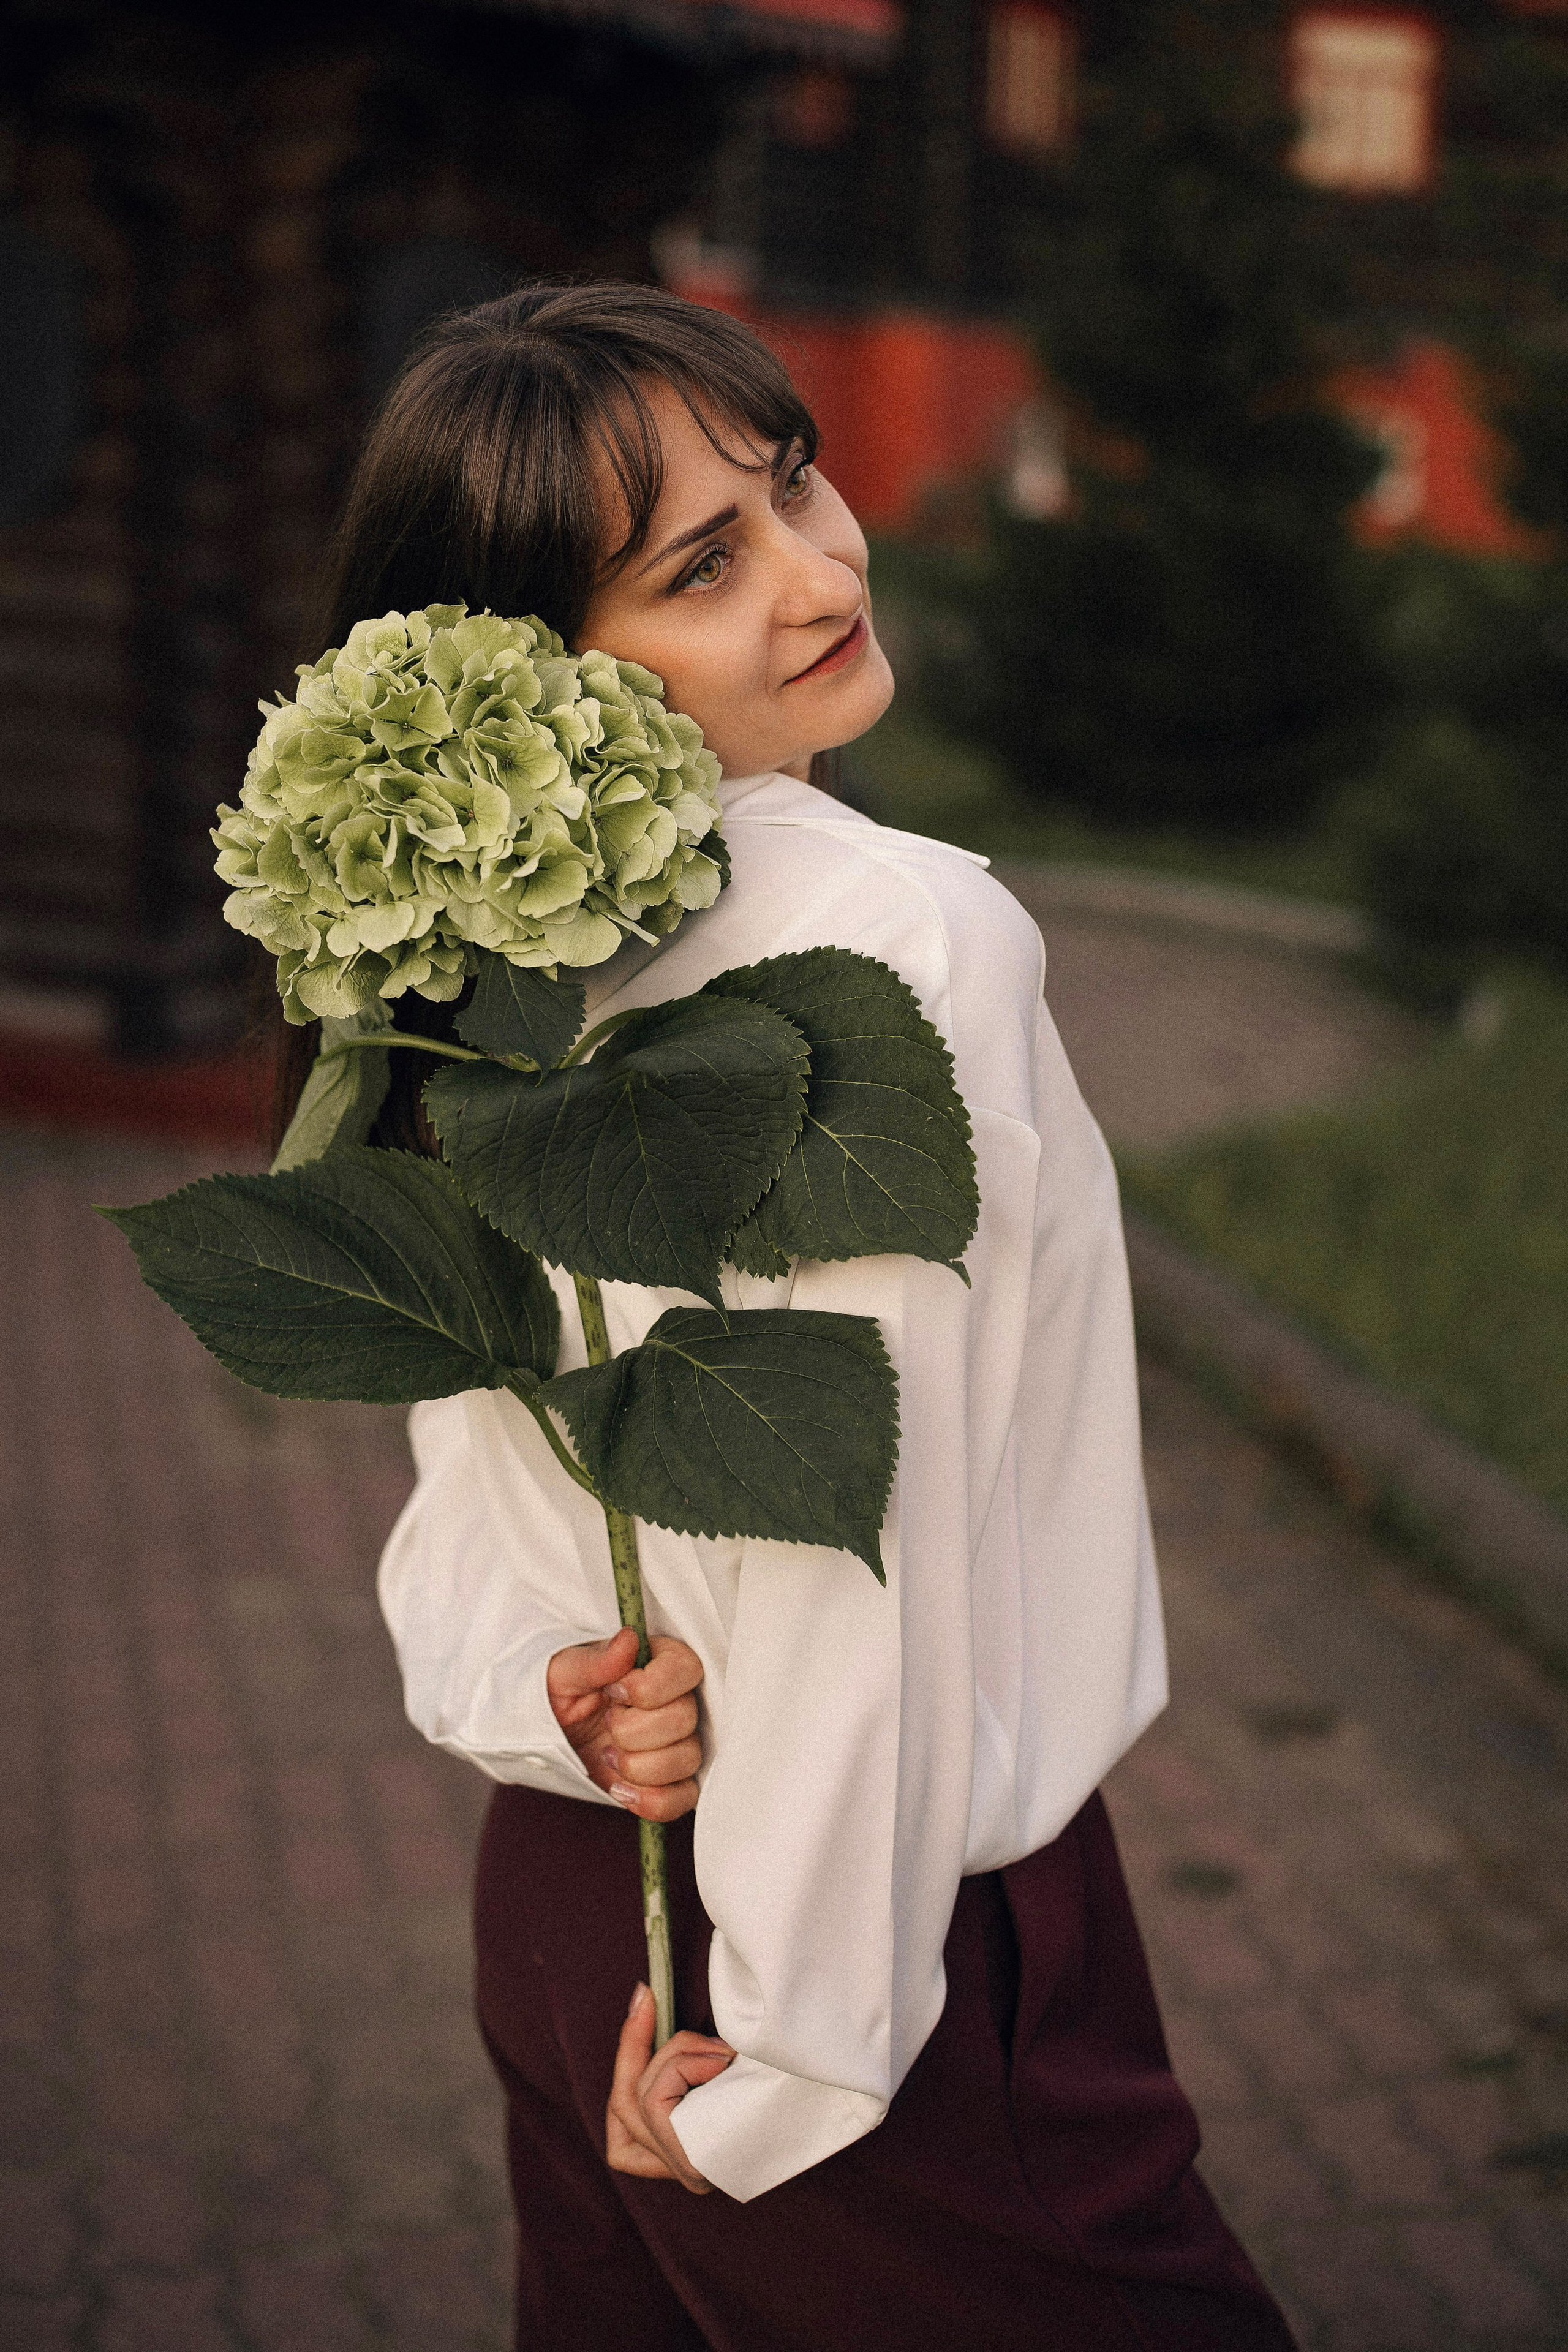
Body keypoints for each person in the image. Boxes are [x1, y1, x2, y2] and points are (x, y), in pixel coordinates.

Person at [281, 281, 1298, 2350]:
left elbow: (473, 1488)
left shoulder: (475, 984)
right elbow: (864, 1538)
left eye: (792, 481)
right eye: (704, 563)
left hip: (574, 1910)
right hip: (844, 1958)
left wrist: (538, 1687)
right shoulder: (894, 934)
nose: (820, 568)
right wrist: (811, 2046)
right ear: (531, 672)